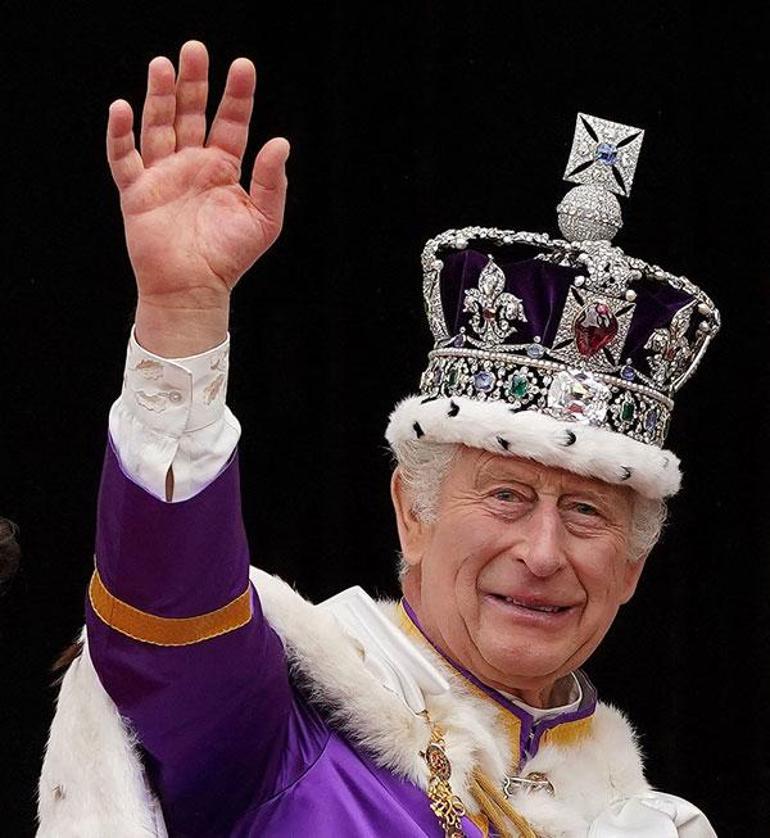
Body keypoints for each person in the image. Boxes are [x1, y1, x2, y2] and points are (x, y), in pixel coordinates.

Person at [38, 41, 718, 837]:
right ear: (412, 512)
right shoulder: (285, 729)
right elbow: (167, 606)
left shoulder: (641, 817)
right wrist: (181, 318)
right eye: (506, 495)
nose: (542, 553)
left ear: (632, 567)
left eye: (586, 512)